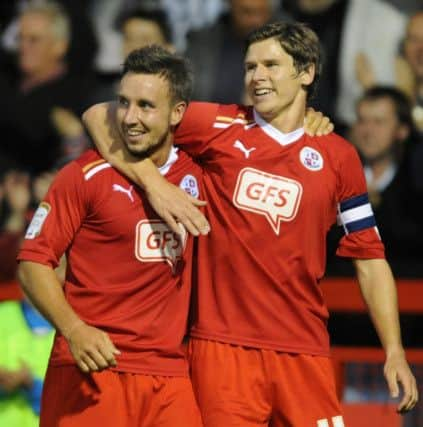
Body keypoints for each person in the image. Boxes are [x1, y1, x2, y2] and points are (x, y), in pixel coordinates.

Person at [85, 21, 419, 426]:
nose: (256, 76)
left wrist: (395, 351)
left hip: (305, 352)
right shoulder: (217, 126)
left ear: (307, 72)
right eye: (249, 67)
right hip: (223, 352)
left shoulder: (338, 155)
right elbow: (100, 114)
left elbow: (369, 260)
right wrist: (155, 185)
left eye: (270, 65)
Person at [17, 45, 204, 427]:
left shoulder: (203, 174)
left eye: (146, 106)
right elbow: (33, 262)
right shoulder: (83, 175)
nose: (130, 118)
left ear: (178, 112)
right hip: (91, 367)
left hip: (169, 376)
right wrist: (73, 329)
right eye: (124, 102)